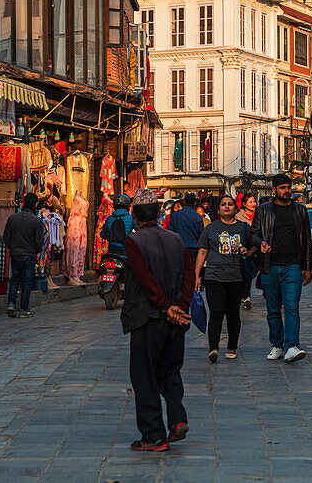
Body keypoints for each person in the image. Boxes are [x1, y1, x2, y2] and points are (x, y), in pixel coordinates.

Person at [122, 189, 194, 452]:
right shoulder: (175, 239)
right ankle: (177, 419)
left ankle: (153, 435)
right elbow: (189, 274)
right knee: (170, 371)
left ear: (135, 215)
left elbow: (146, 280)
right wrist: (181, 306)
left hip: (149, 318)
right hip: (176, 318)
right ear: (158, 213)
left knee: (145, 376)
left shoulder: (135, 242)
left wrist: (166, 308)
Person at [252, 174, 312, 363]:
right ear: (274, 190)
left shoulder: (300, 210)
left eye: (288, 187)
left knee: (292, 307)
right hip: (270, 266)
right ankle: (277, 345)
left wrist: (307, 267)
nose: (286, 191)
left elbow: (307, 240)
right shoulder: (263, 210)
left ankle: (292, 346)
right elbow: (253, 233)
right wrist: (260, 242)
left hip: (293, 267)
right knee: (273, 309)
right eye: (282, 188)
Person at [195, 195, 253, 363]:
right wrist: (197, 275)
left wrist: (248, 251)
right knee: (216, 313)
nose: (227, 207)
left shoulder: (243, 228)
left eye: (230, 205)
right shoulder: (211, 228)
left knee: (233, 313)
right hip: (214, 276)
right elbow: (202, 252)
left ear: (235, 208)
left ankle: (231, 347)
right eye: (223, 205)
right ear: (218, 209)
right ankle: (213, 348)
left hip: (236, 277)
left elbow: (254, 243)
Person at [3, 193, 47, 318]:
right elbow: (39, 241)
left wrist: (13, 248)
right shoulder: (36, 221)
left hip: (16, 254)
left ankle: (11, 303)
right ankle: (24, 309)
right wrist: (35, 251)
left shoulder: (13, 218)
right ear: (34, 205)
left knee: (15, 279)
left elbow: (7, 237)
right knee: (27, 282)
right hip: (29, 255)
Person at [236, 193, 258, 310]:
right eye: (250, 202)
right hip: (245, 248)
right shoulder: (238, 217)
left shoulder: (259, 215)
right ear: (244, 204)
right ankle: (246, 296)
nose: (253, 204)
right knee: (246, 273)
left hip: (257, 247)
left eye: (254, 201)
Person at [168, 193, 203, 260]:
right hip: (194, 249)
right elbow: (201, 236)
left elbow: (171, 233)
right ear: (195, 203)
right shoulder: (198, 217)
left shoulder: (175, 215)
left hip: (178, 248)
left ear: (184, 202)